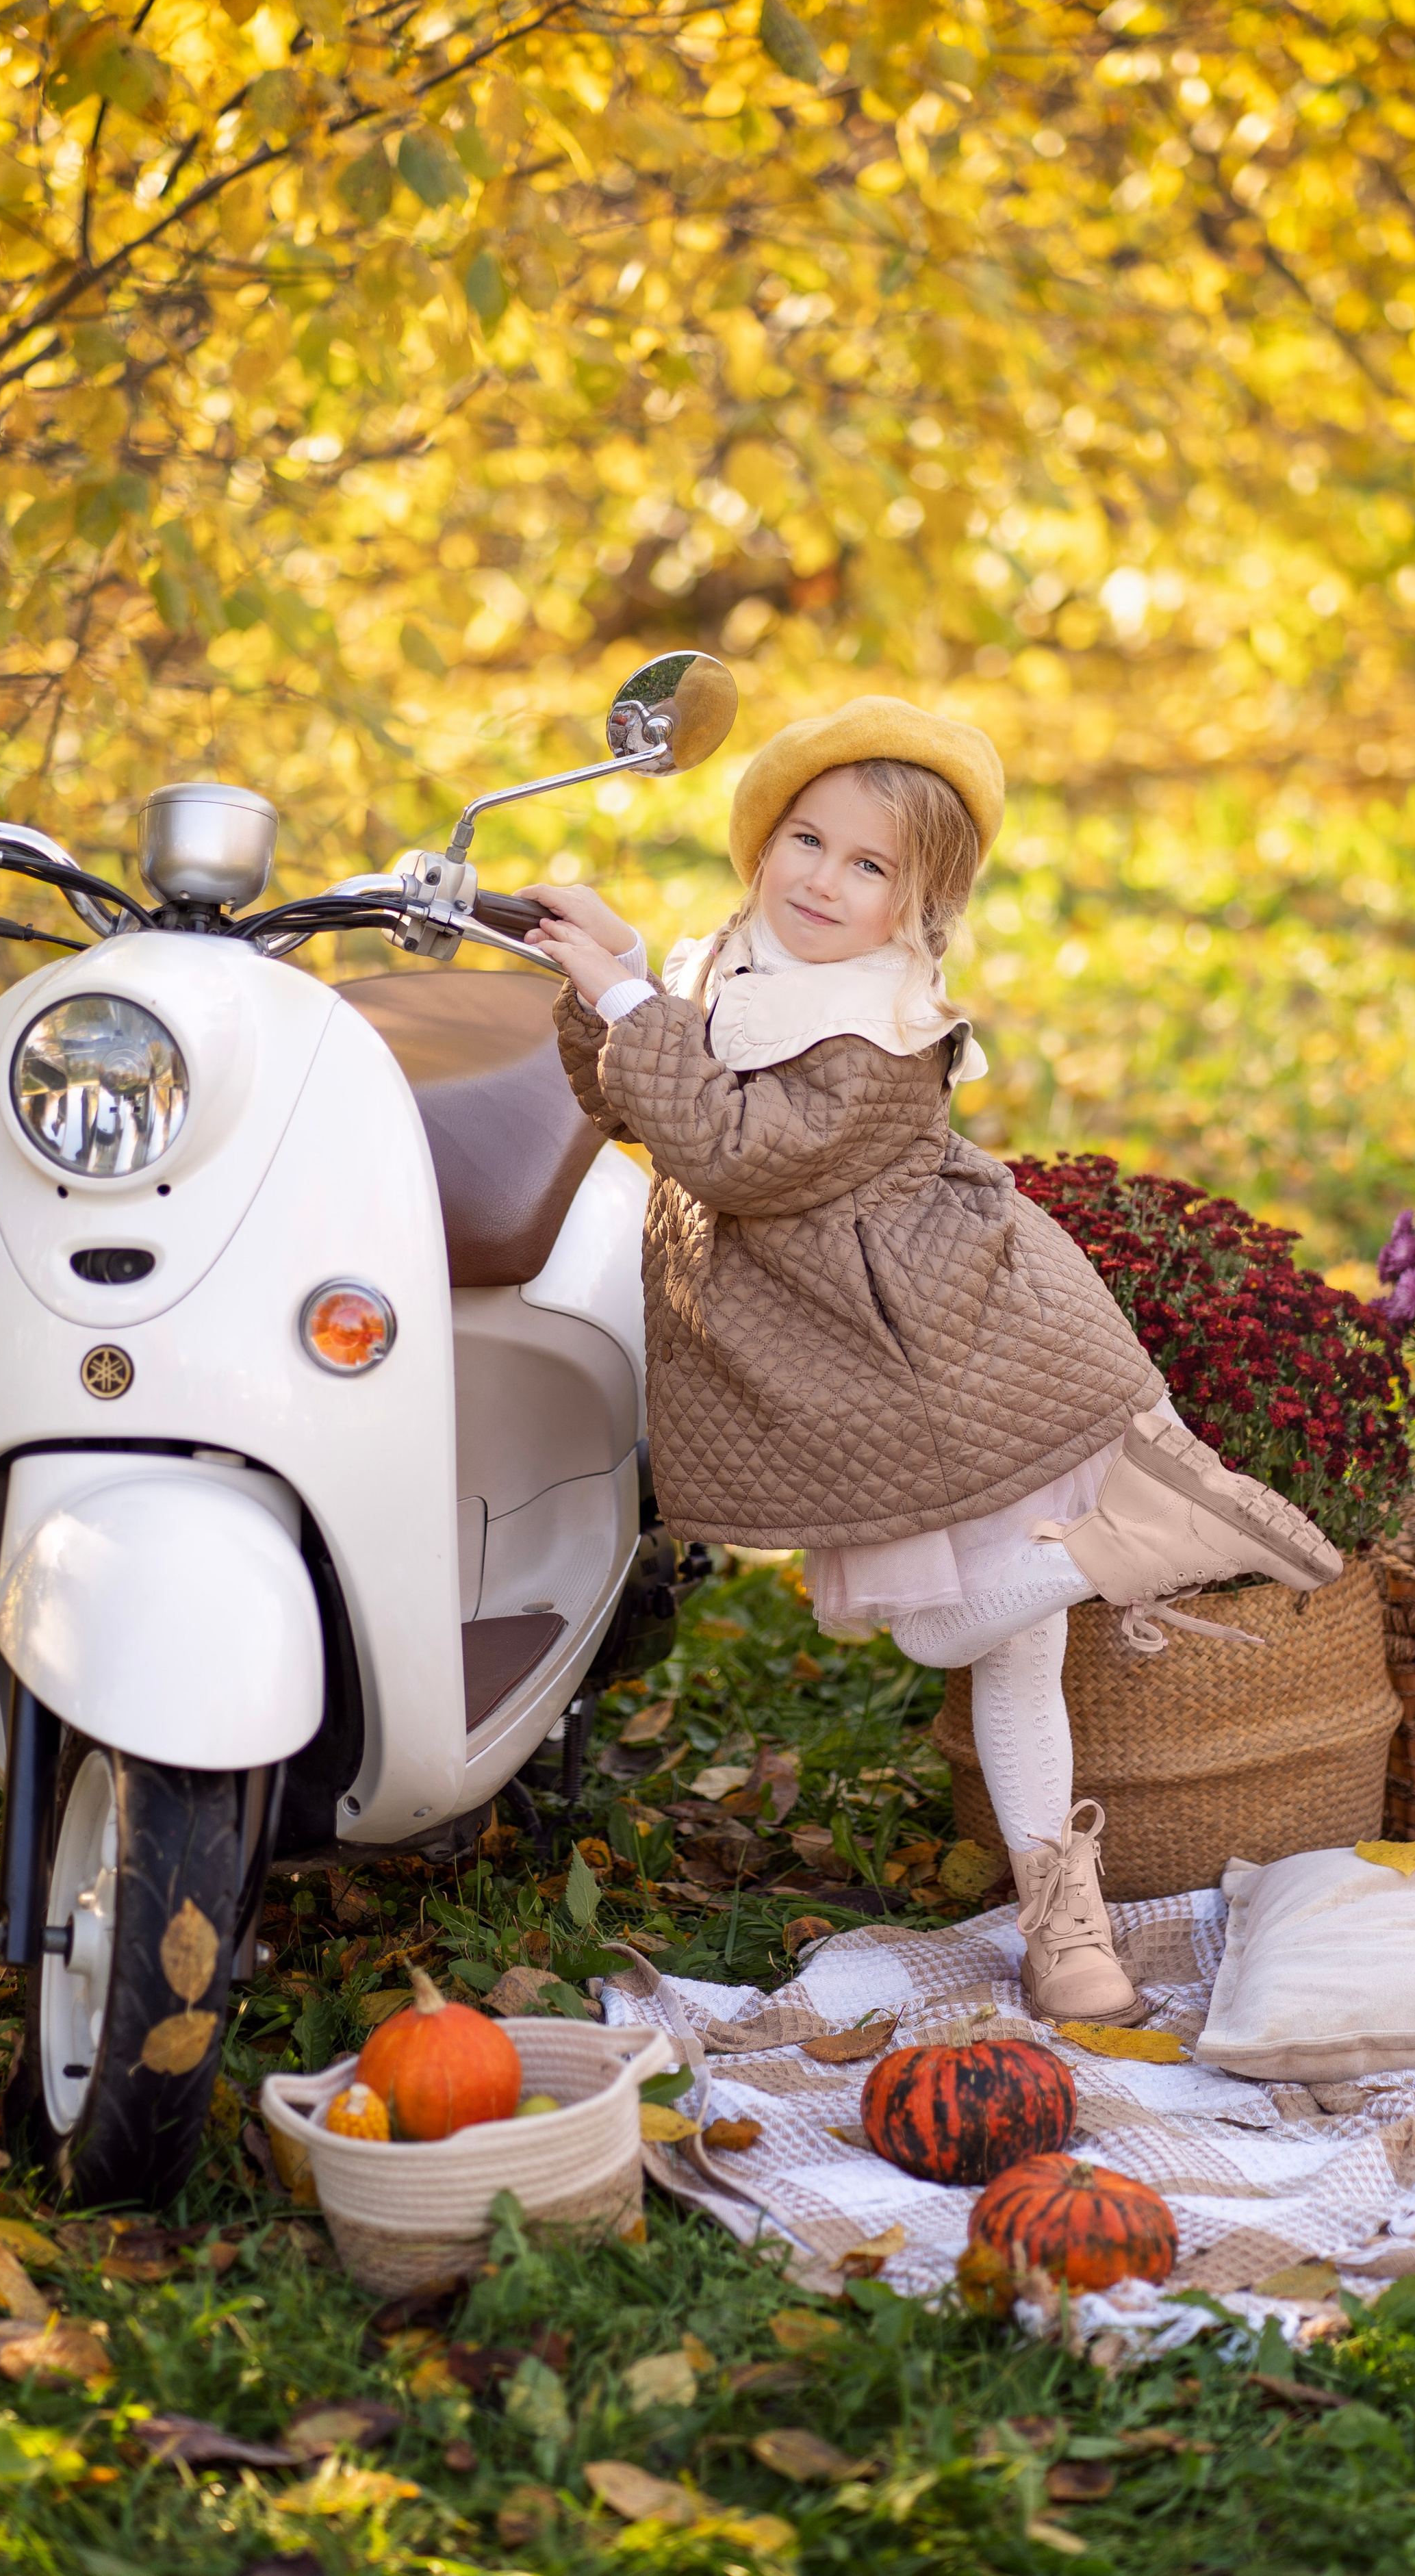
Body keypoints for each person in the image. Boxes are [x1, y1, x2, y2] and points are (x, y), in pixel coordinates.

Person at [524, 697, 1339, 2028]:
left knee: (963, 1637)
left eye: (868, 868)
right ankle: (1065, 1835)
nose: (823, 883)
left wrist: (625, 998)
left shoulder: (879, 1029)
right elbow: (633, 1096)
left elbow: (733, 1150)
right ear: (759, 842)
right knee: (982, 1643)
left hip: (943, 1353)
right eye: (805, 840)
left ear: (916, 904)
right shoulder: (723, 969)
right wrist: (606, 972)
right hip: (858, 1364)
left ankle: (1059, 1898)